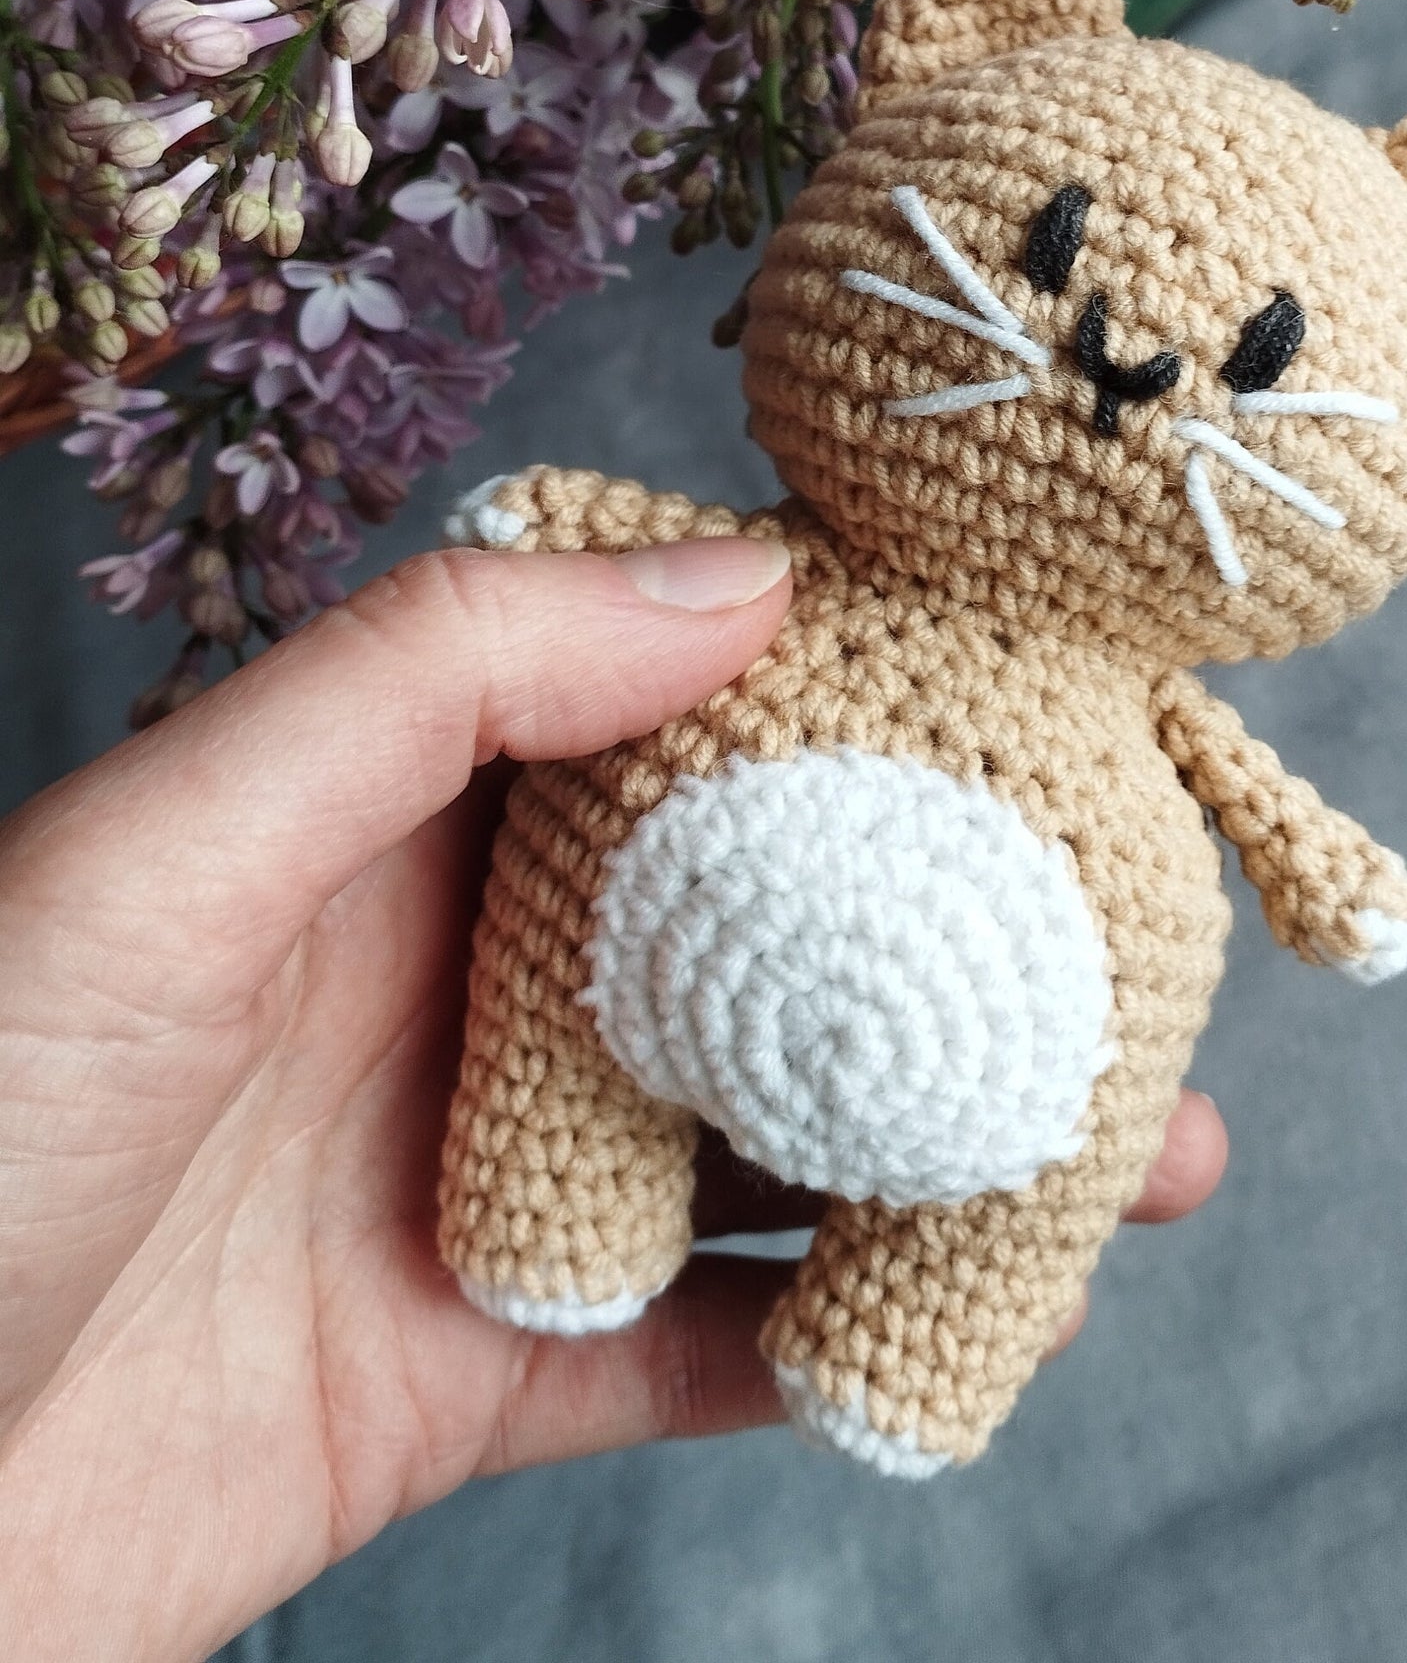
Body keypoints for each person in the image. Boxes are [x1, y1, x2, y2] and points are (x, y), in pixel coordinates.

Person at [0, 535, 1228, 1660]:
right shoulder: (745, 588)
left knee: (1010, 1211)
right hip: (620, 945)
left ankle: (911, 1349)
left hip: (935, 1004)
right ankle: (565, 1219)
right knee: (559, 1030)